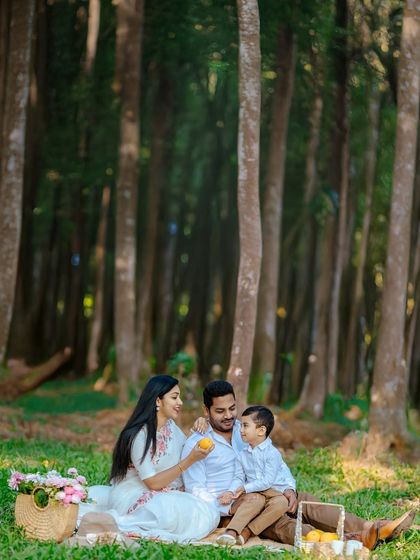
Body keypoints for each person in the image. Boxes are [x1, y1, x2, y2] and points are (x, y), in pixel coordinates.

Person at [182, 380, 415, 550]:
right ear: (206, 410)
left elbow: (276, 462)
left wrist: (289, 489)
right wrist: (231, 506)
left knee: (307, 500)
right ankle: (349, 541)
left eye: (232, 408)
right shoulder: (196, 443)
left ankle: (372, 526)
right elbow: (196, 491)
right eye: (220, 411)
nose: (229, 416)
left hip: (264, 490)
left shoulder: (244, 430)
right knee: (280, 521)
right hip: (235, 507)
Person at [80, 375, 219, 542]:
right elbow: (152, 483)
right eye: (174, 397)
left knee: (206, 512)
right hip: (136, 492)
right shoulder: (140, 434)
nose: (180, 402)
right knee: (173, 513)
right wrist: (190, 460)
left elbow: (187, 447)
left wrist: (201, 425)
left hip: (164, 491)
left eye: (179, 397)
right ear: (158, 401)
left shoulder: (170, 427)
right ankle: (121, 523)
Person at [216, 405, 295, 545]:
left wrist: (245, 488)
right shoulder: (242, 455)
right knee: (254, 501)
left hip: (275, 491)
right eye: (240, 426)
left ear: (261, 430)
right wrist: (230, 491)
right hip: (256, 492)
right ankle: (231, 531)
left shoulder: (272, 454)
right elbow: (238, 477)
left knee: (282, 503)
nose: (240, 430)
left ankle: (248, 532)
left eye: (245, 426)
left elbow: (268, 481)